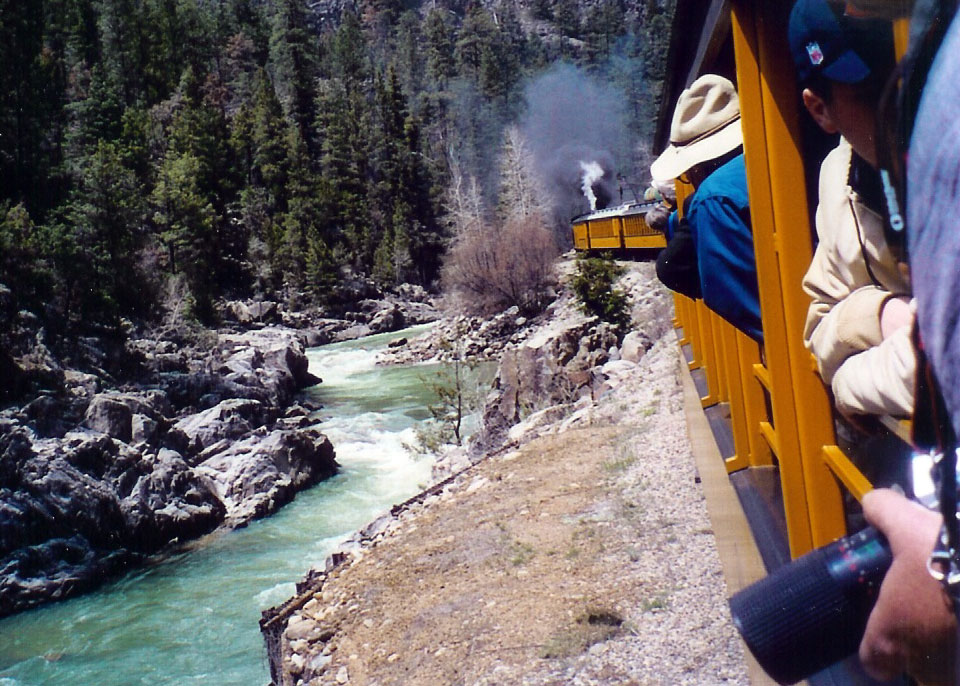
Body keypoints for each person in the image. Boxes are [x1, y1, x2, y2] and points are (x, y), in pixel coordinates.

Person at [790, 0, 915, 418]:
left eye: (912, 79)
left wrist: (847, 383)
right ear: (820, 109)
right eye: (873, 92)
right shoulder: (837, 175)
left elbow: (941, 367)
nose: (901, 109)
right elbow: (820, 328)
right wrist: (878, 314)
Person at [651, 75, 763, 342]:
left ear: (699, 165)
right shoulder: (779, 156)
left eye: (688, 174)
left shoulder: (711, 198)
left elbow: (738, 302)